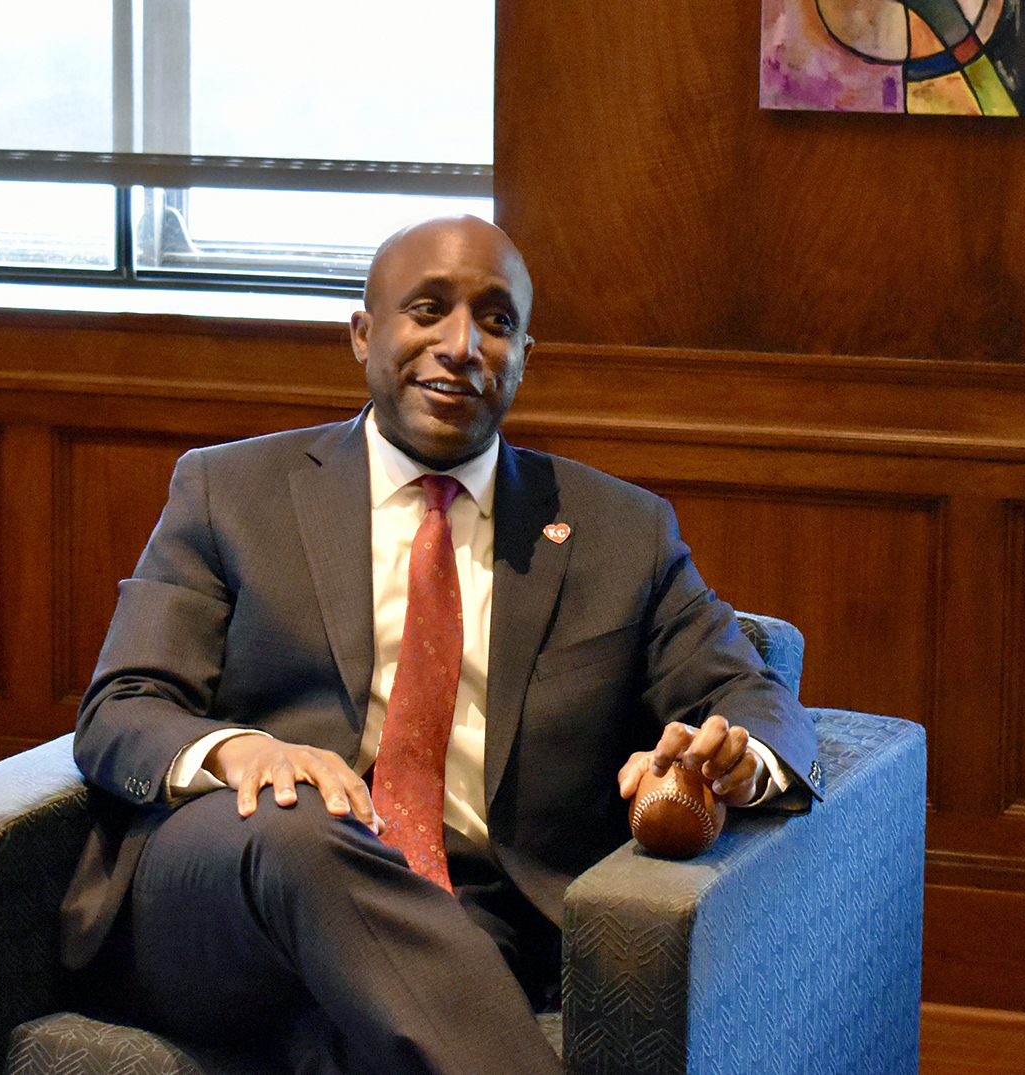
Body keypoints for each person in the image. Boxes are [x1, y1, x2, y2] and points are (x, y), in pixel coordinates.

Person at [59, 215, 821, 1075]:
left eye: (496, 321)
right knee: (302, 825)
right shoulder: (228, 491)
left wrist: (737, 756)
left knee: (353, 1030)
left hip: (465, 915)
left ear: (525, 354)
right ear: (363, 333)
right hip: (228, 889)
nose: (461, 346)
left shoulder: (621, 532)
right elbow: (122, 708)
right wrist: (244, 752)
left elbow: (751, 697)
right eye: (428, 311)